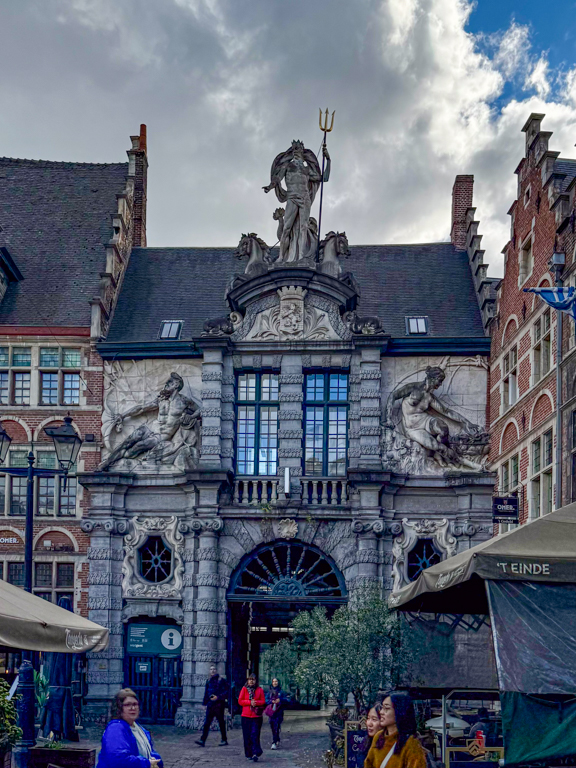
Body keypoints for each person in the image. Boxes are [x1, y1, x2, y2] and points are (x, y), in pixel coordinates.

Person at [97, 688, 162, 768]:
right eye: (128, 705)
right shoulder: (115, 729)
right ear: (119, 708)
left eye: (135, 704)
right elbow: (118, 759)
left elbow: (149, 752)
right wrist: (146, 763)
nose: (133, 708)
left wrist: (157, 760)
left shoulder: (139, 728)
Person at [364, 692, 426, 768]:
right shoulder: (378, 737)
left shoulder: (411, 744)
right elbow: (368, 764)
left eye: (386, 708)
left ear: (399, 712)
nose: (381, 712)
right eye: (382, 708)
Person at [195, 664, 229, 747]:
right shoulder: (208, 681)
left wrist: (218, 697)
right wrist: (204, 703)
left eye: (214, 669)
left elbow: (226, 692)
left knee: (221, 722)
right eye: (211, 669)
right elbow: (206, 693)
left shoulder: (221, 680)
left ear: (216, 670)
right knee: (207, 723)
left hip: (219, 705)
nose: (212, 671)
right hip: (210, 705)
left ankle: (224, 739)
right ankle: (202, 740)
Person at [238, 672, 266, 762]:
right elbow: (240, 701)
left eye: (253, 680)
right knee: (247, 735)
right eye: (250, 679)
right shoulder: (244, 689)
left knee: (255, 734)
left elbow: (263, 701)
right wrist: (249, 702)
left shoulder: (259, 689)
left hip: (256, 716)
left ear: (255, 681)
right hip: (246, 716)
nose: (251, 681)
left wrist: (256, 703)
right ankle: (248, 753)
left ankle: (255, 753)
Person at [265, 678, 289, 749]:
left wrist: (280, 700)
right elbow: (266, 700)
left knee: (277, 725)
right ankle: (276, 738)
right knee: (272, 726)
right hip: (271, 712)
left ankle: (274, 741)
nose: (275, 683)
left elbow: (287, 700)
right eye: (273, 681)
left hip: (279, 711)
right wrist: (271, 701)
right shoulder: (269, 692)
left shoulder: (282, 692)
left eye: (276, 681)